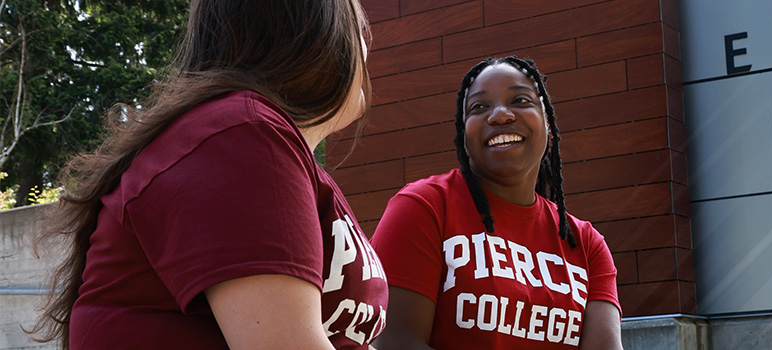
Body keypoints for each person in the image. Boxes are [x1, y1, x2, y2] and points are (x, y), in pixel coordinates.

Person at [30, 1, 388, 349]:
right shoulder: (241, 134)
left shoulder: (262, 145)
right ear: (317, 30)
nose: (367, 51)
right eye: (360, 30)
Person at [369, 56, 622, 350]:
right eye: (479, 107)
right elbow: (396, 343)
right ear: (463, 134)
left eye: (520, 100)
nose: (500, 115)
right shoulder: (424, 207)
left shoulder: (586, 245)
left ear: (548, 123)